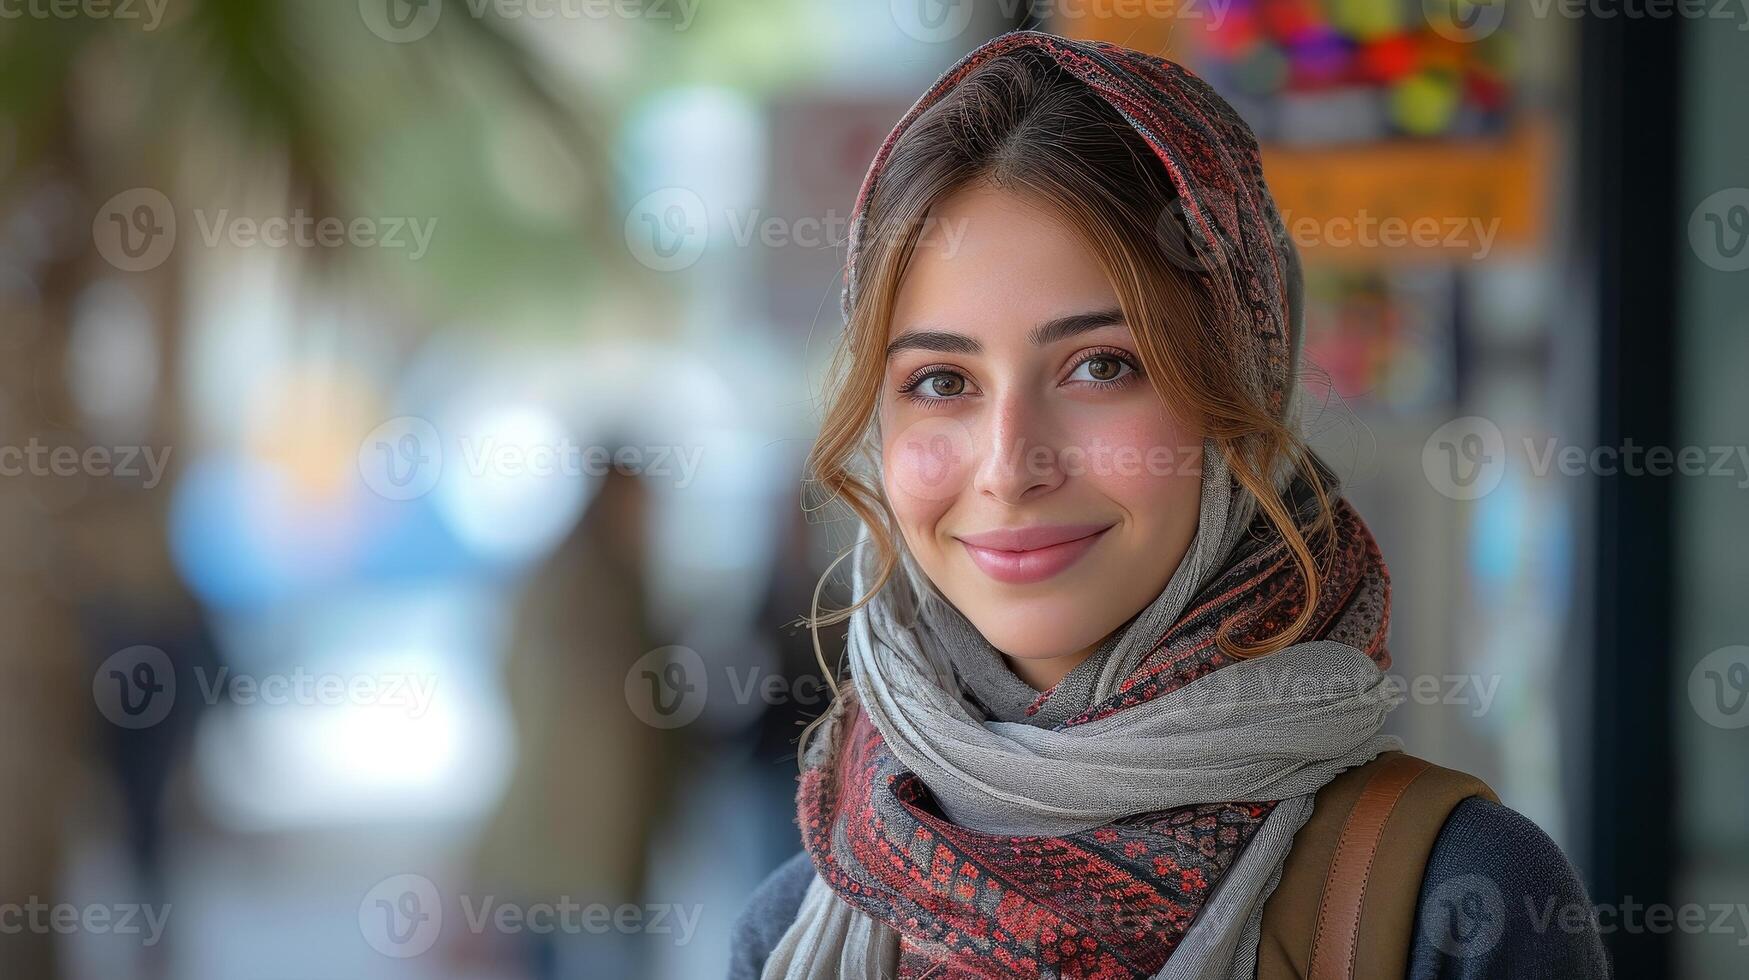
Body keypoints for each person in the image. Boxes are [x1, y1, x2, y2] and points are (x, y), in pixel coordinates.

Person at [728, 31, 1609, 980]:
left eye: (1101, 366)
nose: (1009, 466)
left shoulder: (1451, 903)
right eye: (941, 381)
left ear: (1241, 393)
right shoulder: (794, 924)